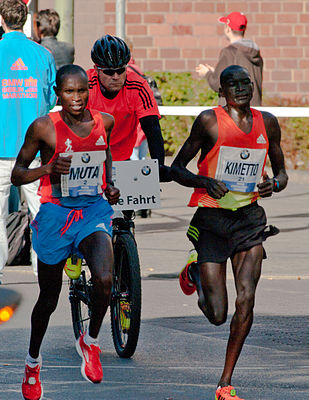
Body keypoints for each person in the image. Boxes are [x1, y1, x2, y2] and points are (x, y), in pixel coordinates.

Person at [171, 65, 288, 400]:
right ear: (221, 91)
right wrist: (206, 181)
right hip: (212, 220)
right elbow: (178, 169)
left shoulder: (268, 122)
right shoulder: (209, 121)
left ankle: (225, 383)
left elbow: (281, 173)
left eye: (245, 83)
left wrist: (273, 185)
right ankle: (194, 270)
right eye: (232, 84)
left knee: (246, 299)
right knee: (217, 315)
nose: (240, 88)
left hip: (250, 220)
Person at [11, 64, 120, 400]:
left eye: (82, 90)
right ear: (57, 93)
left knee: (105, 279)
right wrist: (47, 168)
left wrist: (111, 185)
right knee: (48, 299)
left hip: (92, 211)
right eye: (69, 91)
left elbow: (107, 154)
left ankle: (91, 341)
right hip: (57, 213)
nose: (77, 98)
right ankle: (32, 362)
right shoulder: (44, 127)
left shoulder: (105, 122)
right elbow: (17, 173)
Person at [0, 0, 56, 276]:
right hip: (33, 150)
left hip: (1, 148)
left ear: (1, 19)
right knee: (39, 210)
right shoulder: (42, 55)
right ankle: (41, 267)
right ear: (25, 20)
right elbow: (51, 98)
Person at [87, 34, 171, 183]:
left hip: (122, 157)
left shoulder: (138, 86)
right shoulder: (86, 85)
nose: (116, 76)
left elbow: (152, 129)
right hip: (89, 156)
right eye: (108, 72)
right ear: (96, 69)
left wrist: (159, 167)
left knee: (125, 205)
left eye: (121, 70)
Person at [196, 12, 263, 106]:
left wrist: (207, 73)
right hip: (254, 111)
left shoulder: (229, 52)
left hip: (235, 113)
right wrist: (215, 72)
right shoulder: (255, 52)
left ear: (228, 29)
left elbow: (218, 84)